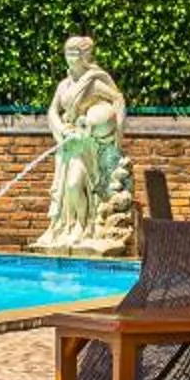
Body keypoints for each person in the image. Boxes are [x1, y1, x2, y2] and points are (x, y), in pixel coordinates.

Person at [42, 35, 130, 250]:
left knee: (73, 185)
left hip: (87, 145)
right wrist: (61, 128)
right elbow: (52, 110)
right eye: (67, 52)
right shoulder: (63, 85)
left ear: (84, 55)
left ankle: (83, 225)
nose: (70, 57)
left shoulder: (94, 82)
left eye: (75, 52)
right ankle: (69, 226)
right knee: (66, 189)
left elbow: (118, 100)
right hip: (67, 143)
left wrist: (114, 130)